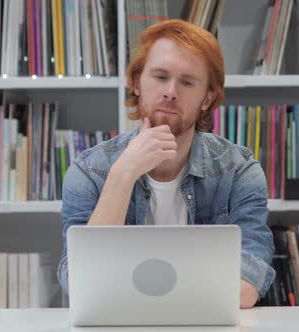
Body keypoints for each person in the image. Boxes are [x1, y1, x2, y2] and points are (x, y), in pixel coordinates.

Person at [58, 19, 275, 309]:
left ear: (207, 98)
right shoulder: (90, 170)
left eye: (187, 82)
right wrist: (123, 175)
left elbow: (247, 283)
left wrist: (143, 301)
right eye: (160, 77)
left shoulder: (239, 171)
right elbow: (79, 281)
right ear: (136, 83)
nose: (171, 91)